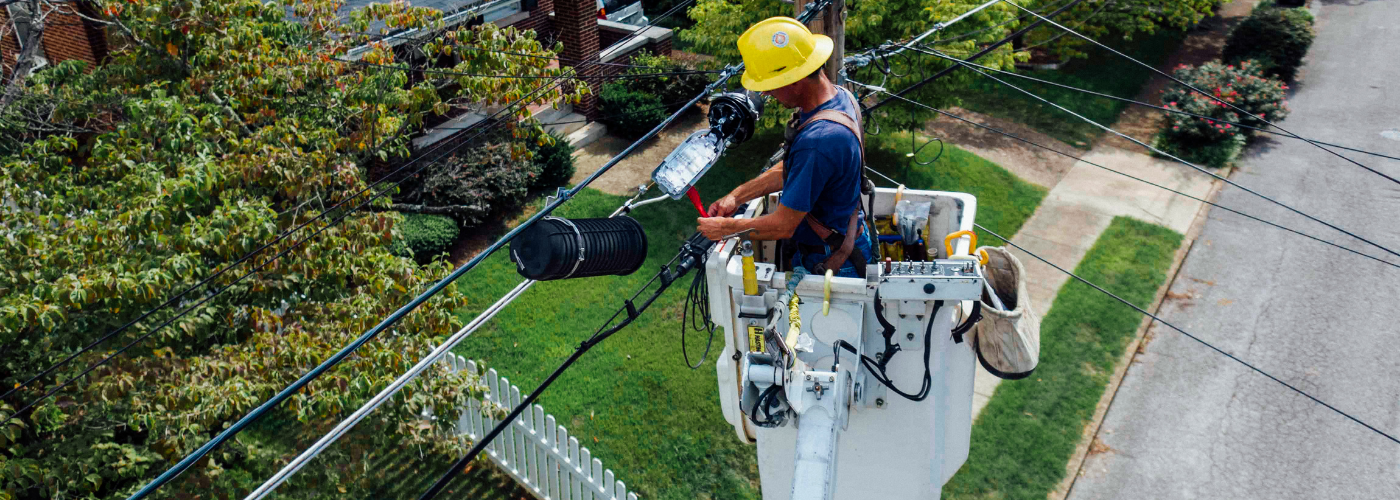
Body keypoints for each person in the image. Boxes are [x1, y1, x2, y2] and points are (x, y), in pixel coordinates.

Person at [696, 16, 874, 278]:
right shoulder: (840, 97)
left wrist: (725, 228)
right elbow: (795, 169)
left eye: (769, 87)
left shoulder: (819, 140)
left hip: (832, 261)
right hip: (844, 241)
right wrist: (737, 195)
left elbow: (783, 226)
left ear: (794, 80)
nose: (767, 95)